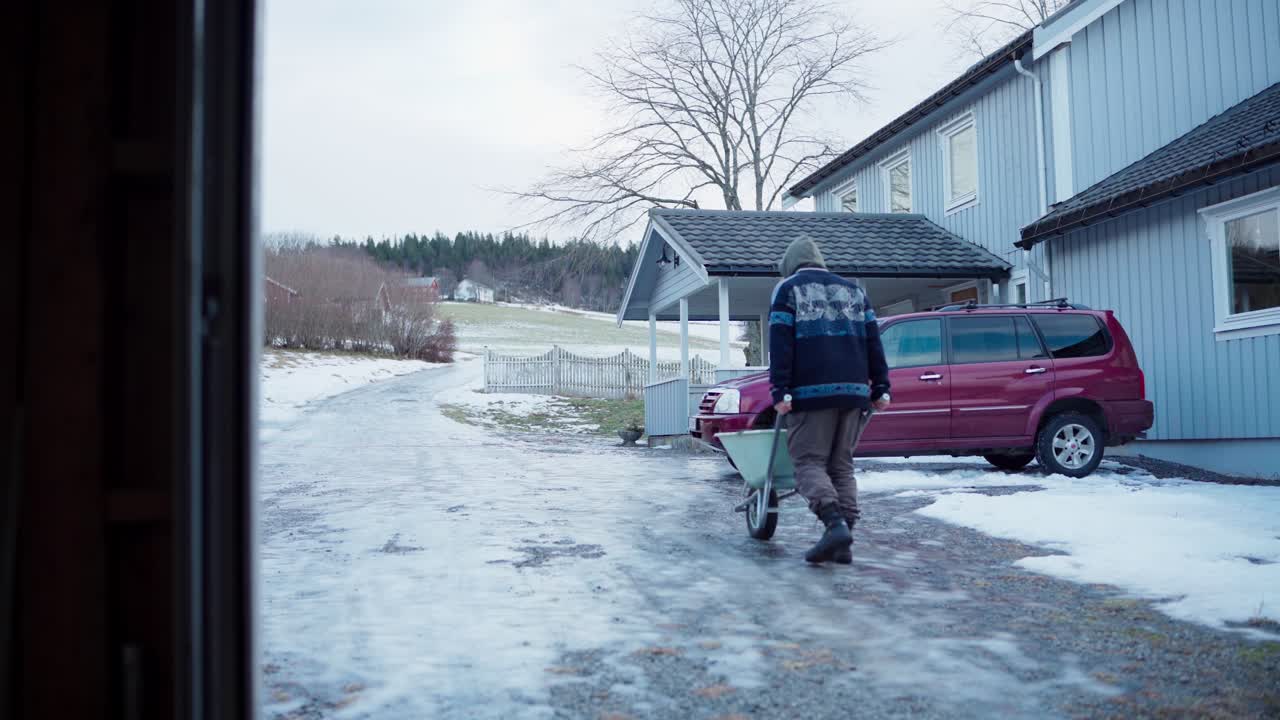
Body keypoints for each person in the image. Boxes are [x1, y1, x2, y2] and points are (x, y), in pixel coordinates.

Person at [768, 235, 890, 564]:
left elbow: (780, 346)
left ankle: (835, 525)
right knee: (841, 466)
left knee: (808, 462)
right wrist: (880, 387)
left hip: (811, 394)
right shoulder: (854, 291)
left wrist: (780, 391)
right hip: (854, 394)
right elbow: (873, 342)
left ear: (790, 265)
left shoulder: (788, 289)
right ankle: (843, 541)